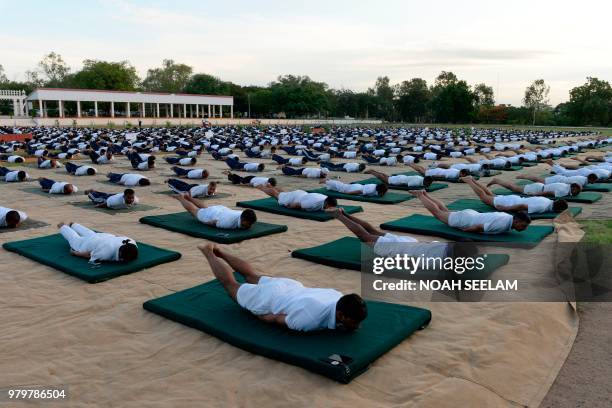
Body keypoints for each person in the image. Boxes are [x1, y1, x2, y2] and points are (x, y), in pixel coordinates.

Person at [198, 243, 367, 331]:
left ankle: (220, 251)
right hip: (271, 298)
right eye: (354, 321)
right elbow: (275, 318)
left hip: (290, 286)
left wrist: (351, 323)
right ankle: (208, 253)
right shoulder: (310, 321)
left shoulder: (338, 296)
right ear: (340, 314)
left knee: (252, 276)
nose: (357, 325)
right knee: (231, 285)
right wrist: (256, 312)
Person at [326, 207, 452, 258]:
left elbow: (427, 243)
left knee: (372, 232)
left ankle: (344, 214)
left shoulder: (448, 245)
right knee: (364, 236)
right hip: (401, 249)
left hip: (410, 242)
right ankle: (339, 216)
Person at [410, 190, 530, 234]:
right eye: (523, 225)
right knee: (438, 213)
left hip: (471, 215)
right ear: (517, 220)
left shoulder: (508, 217)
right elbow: (478, 227)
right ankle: (421, 195)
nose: (524, 228)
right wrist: (465, 231)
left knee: (444, 211)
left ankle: (424, 194)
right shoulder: (503, 224)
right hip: (466, 220)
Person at [462, 176, 568, 214]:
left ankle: (472, 179)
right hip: (510, 203)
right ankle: (469, 181)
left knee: (490, 194)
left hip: (514, 199)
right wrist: (505, 209)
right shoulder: (543, 207)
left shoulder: (547, 201)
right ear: (557, 210)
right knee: (484, 197)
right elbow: (522, 207)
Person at [57, 222, 138, 263]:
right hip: (89, 244)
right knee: (75, 240)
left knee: (91, 234)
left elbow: (117, 236)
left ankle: (74, 225)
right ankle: (62, 226)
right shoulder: (105, 253)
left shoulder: (132, 242)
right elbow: (89, 254)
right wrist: (75, 253)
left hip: (105, 237)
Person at [172, 193, 256, 229]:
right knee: (194, 211)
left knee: (206, 207)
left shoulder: (244, 214)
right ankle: (180, 198)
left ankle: (189, 197)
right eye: (249, 223)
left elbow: (247, 219)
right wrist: (203, 222)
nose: (250, 225)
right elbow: (214, 222)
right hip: (213, 215)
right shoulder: (228, 223)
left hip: (222, 209)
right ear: (242, 219)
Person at [257, 185, 337, 211]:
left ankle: (271, 186)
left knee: (283, 194)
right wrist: (287, 205)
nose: (330, 209)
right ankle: (262, 188)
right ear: (326, 203)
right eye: (330, 207)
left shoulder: (326, 198)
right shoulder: (311, 204)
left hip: (302, 194)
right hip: (296, 198)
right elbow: (296, 205)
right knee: (277, 196)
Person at [486, 178, 580, 198]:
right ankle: (497, 181)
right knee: (513, 188)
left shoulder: (566, 186)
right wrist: (535, 194)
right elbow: (549, 193)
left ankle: (497, 181)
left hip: (539, 186)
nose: (577, 192)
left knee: (514, 188)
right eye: (577, 190)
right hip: (538, 189)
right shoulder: (564, 191)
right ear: (573, 188)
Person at [364, 169, 433, 189]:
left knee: (387, 177)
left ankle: (373, 171)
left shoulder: (420, 178)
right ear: (425, 180)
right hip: (399, 181)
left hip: (402, 177)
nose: (428, 184)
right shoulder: (416, 182)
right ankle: (372, 172)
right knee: (384, 179)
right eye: (428, 183)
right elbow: (408, 185)